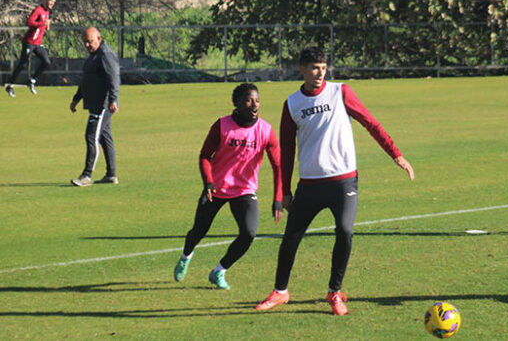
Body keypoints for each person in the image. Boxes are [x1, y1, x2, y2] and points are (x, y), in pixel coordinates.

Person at [255, 47, 415, 316]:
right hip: (309, 184)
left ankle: (334, 292)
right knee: (291, 237)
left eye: (323, 67)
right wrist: (284, 191)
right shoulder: (292, 104)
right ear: (301, 69)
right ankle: (280, 291)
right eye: (314, 68)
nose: (320, 73)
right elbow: (286, 150)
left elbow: (370, 122)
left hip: (343, 182)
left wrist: (395, 154)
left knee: (344, 231)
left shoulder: (341, 92)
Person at [173, 83, 284, 290]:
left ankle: (219, 271)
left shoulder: (266, 131)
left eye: (257, 100)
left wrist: (278, 199)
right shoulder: (222, 126)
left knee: (249, 233)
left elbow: (278, 166)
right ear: (237, 103)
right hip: (216, 189)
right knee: (199, 230)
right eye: (249, 100)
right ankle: (186, 255)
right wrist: (208, 181)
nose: (254, 104)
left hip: (244, 191)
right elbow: (205, 155)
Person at [69, 27, 120, 187]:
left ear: (99, 38)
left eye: (90, 41)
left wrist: (113, 100)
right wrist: (77, 98)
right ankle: (111, 175)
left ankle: (86, 175)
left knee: (91, 136)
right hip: (94, 103)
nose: (87, 45)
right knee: (105, 138)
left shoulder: (106, 55)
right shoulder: (93, 56)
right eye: (84, 42)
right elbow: (86, 79)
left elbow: (114, 78)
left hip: (102, 105)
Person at [4, 0, 56, 97]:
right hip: (29, 42)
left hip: (37, 44)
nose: (51, 4)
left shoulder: (47, 12)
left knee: (46, 62)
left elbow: (43, 26)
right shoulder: (38, 10)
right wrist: (43, 23)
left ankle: (32, 80)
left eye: (53, 2)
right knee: (22, 64)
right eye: (50, 1)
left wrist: (47, 26)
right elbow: (29, 22)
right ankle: (10, 86)